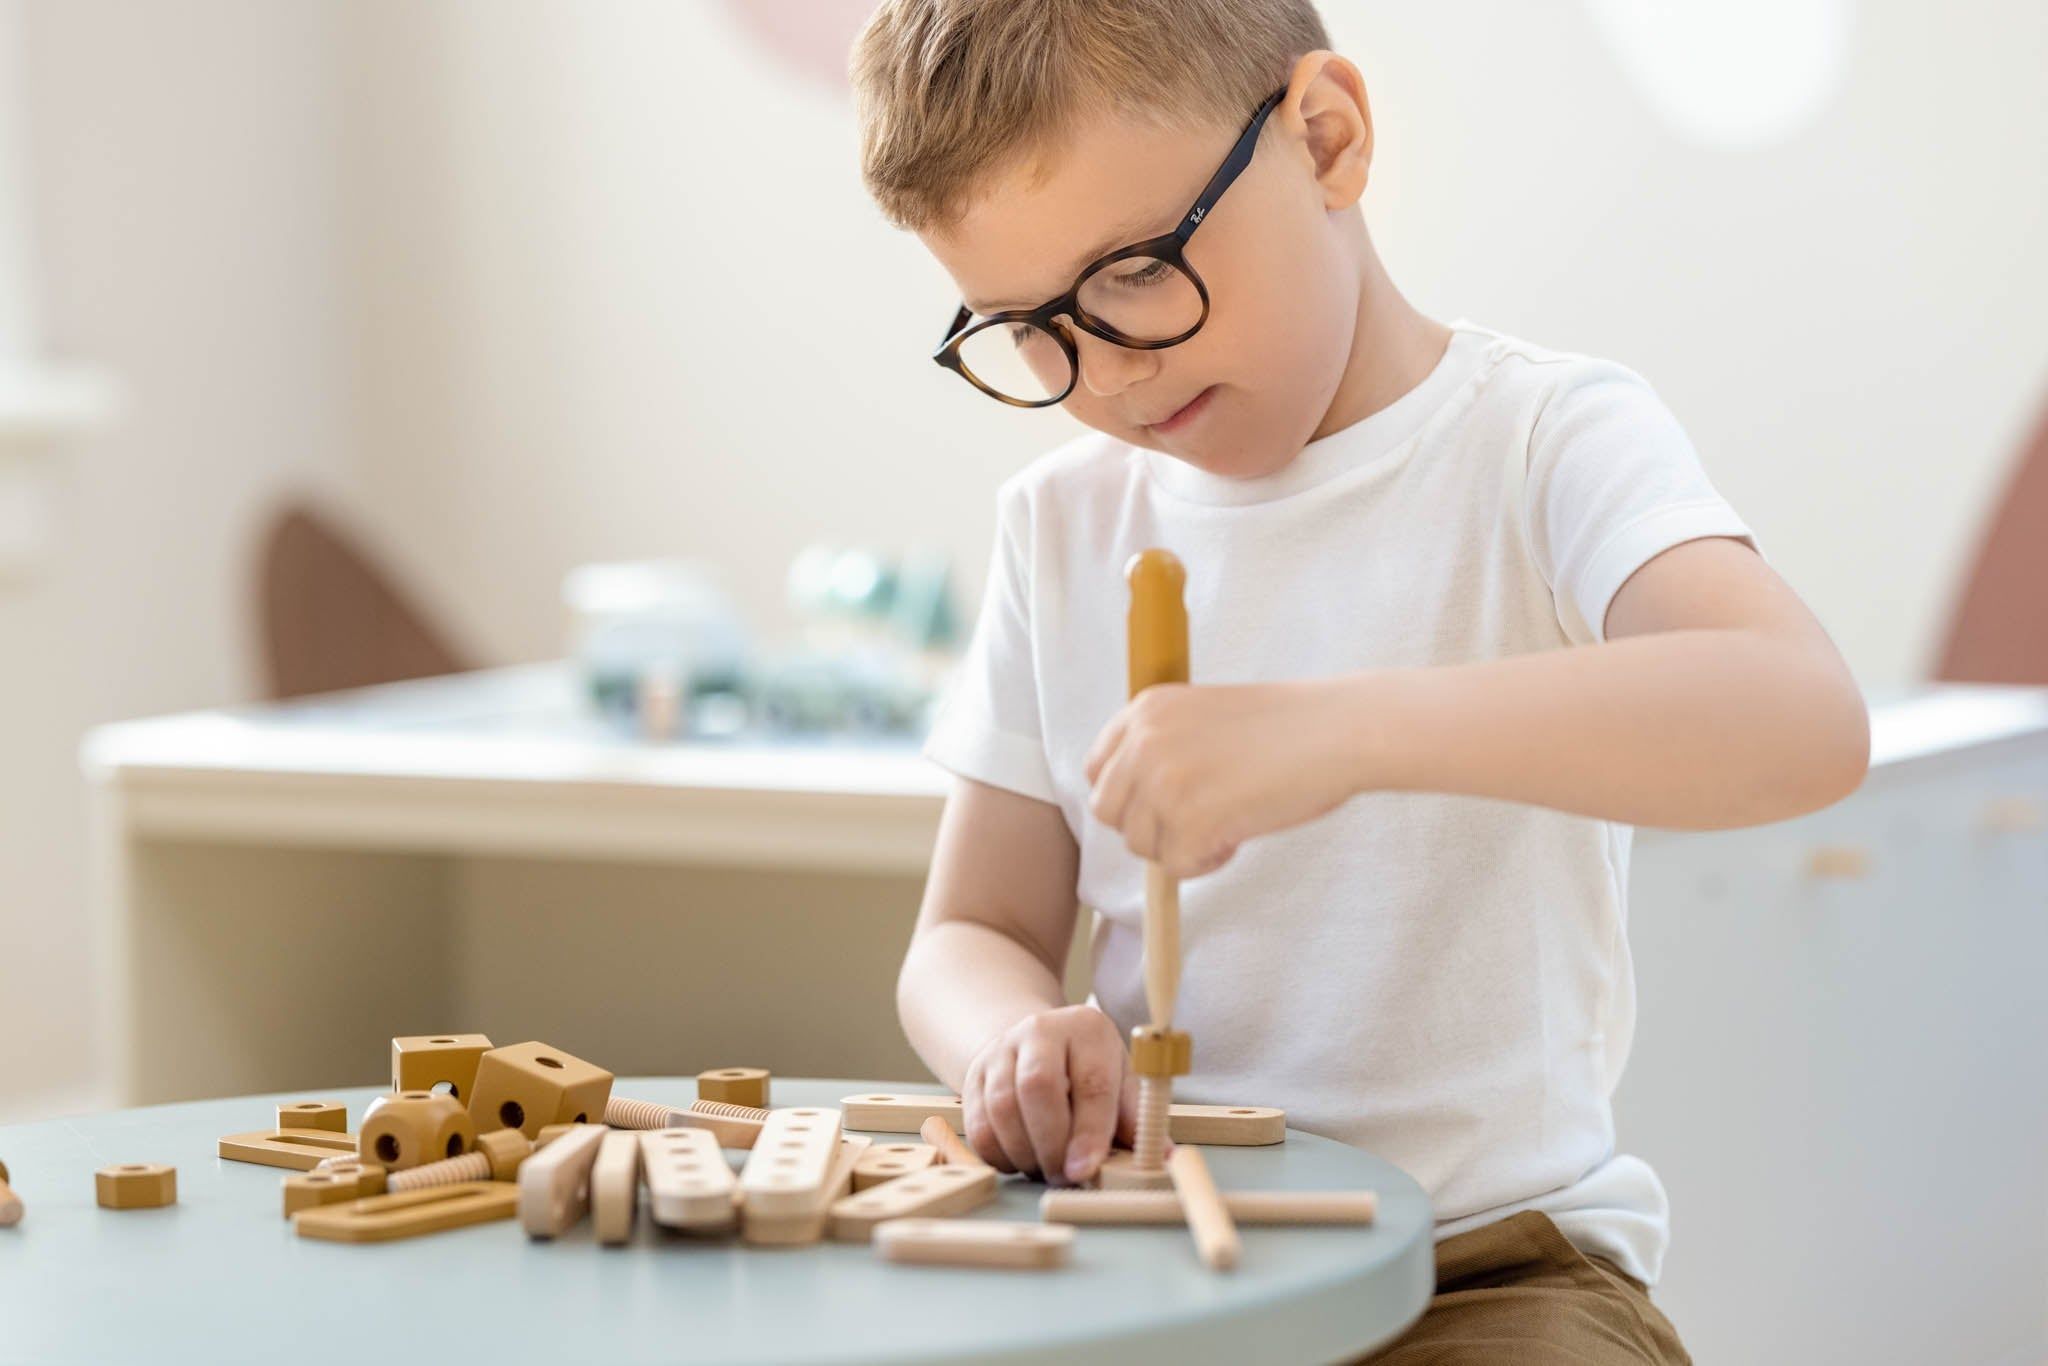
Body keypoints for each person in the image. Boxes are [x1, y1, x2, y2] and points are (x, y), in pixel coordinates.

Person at [849, 2, 1869, 1358]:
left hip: (1484, 1270)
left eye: (1137, 271)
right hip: (1147, 1248)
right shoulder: (1062, 527)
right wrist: (1013, 1037)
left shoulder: (1541, 443)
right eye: (1029, 330)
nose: (1106, 374)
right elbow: (969, 929)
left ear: (1326, 138)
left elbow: (1799, 715)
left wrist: (1336, 734)